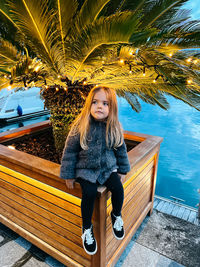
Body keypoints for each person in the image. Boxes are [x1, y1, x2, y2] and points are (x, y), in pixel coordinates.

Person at [60, 86, 130, 255]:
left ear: (111, 108)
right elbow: (70, 151)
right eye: (95, 102)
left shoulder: (114, 127)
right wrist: (68, 175)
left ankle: (116, 215)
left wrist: (122, 170)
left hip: (107, 169)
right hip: (85, 170)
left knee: (118, 188)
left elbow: (121, 150)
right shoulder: (80, 126)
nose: (100, 106)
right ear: (88, 105)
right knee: (89, 193)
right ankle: (86, 228)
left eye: (105, 104)